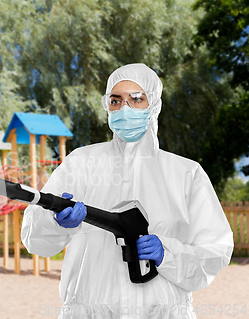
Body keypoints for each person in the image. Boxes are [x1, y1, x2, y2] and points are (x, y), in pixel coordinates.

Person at [21, 63, 234, 319]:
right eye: (116, 100)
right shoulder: (81, 163)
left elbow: (216, 249)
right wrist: (56, 222)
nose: (125, 109)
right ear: (106, 106)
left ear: (153, 104)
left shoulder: (186, 173)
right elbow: (34, 239)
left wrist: (168, 254)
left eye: (136, 99)